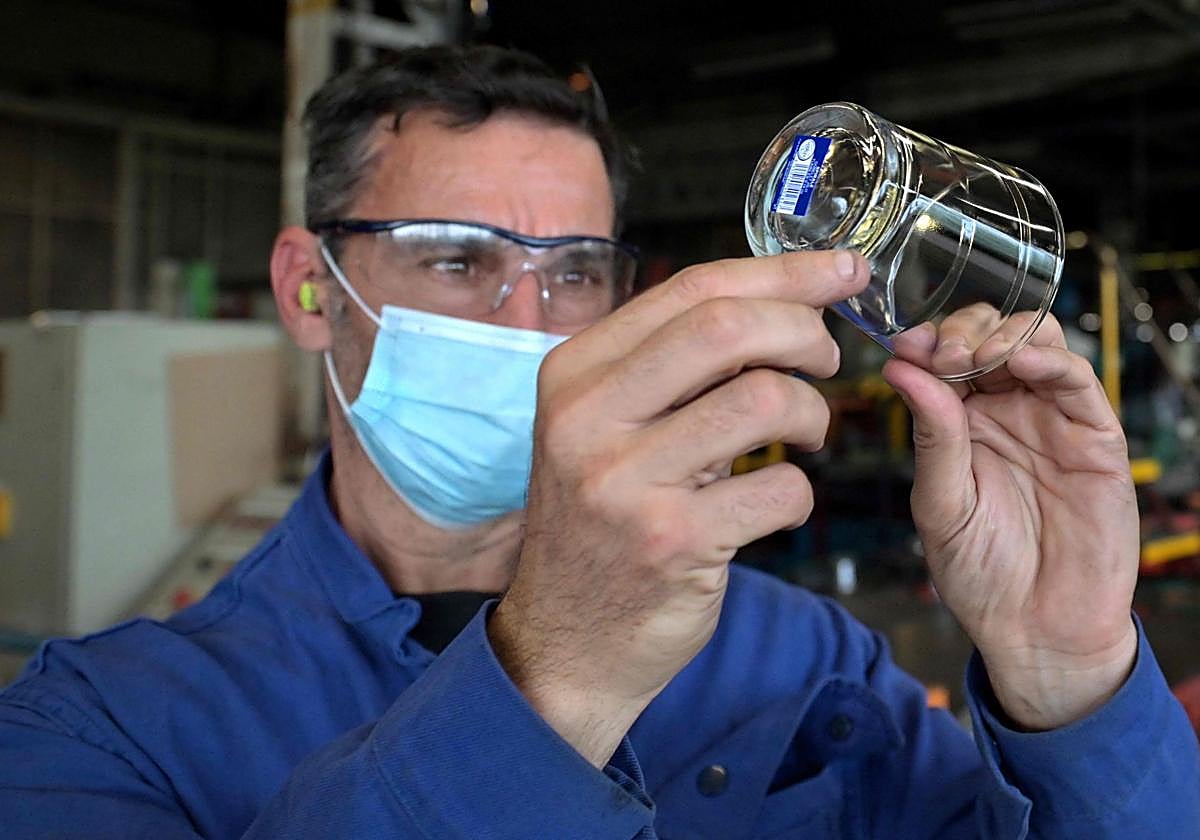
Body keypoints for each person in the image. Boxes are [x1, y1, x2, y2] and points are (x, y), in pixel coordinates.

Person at [1, 44, 1197, 839]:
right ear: (310, 289)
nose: (529, 320)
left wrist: (1066, 681)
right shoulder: (100, 727)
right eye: (457, 259)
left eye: (573, 272)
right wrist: (551, 679)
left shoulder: (803, 659)